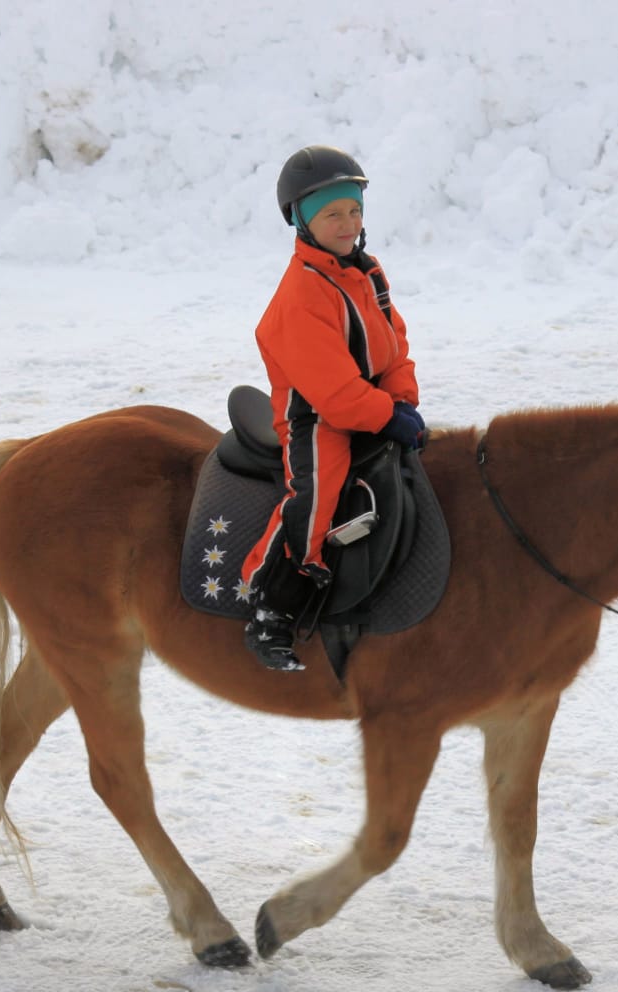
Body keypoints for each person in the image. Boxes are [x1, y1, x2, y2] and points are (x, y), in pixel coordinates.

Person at [241, 144, 426, 672]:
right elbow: (334, 392)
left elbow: (394, 346)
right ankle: (271, 601)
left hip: (369, 402)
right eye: (332, 215)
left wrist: (402, 401)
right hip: (316, 415)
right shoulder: (301, 294)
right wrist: (386, 415)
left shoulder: (367, 272)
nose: (348, 225)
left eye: (354, 211)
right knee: (318, 493)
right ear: (301, 222)